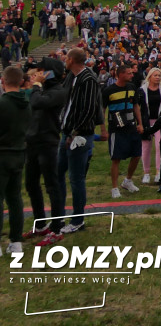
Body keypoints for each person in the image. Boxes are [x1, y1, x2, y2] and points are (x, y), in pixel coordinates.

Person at [55, 47, 103, 237]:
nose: (64, 60)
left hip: (79, 135)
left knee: (76, 178)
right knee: (58, 173)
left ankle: (77, 219)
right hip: (67, 132)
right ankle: (59, 216)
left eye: (66, 58)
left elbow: (90, 108)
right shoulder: (71, 77)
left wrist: (76, 132)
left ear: (73, 59)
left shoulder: (88, 79)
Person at [24, 58, 68, 242]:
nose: (38, 73)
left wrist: (35, 85)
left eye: (42, 70)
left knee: (52, 186)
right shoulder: (43, 90)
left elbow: (37, 102)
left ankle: (57, 229)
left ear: (50, 72)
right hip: (32, 142)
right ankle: (41, 224)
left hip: (48, 143)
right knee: (31, 184)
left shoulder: (58, 91)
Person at [0, 65, 31, 256]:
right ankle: (16, 240)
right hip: (19, 153)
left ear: (3, 81)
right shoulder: (26, 103)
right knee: (15, 198)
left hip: (2, 154)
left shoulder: (3, 104)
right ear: (21, 81)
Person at [102, 64, 145, 198]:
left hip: (132, 126)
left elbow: (136, 106)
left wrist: (140, 123)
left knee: (137, 155)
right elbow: (102, 110)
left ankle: (128, 180)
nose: (132, 75)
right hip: (116, 129)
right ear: (120, 74)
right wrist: (103, 129)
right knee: (116, 158)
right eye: (129, 73)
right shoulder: (108, 90)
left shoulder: (132, 88)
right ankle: (114, 187)